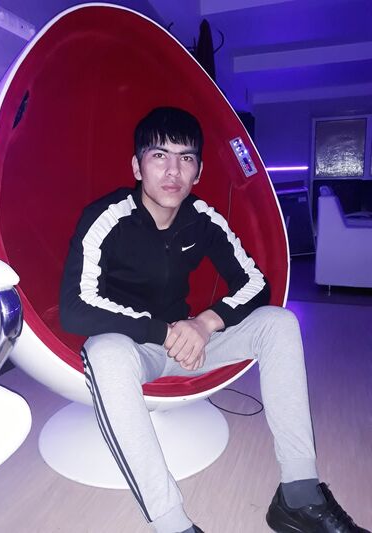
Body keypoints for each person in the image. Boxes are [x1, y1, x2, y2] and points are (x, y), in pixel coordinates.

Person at [60, 107, 369, 533]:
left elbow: (256, 283)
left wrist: (205, 324)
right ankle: (172, 523)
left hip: (192, 343)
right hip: (135, 349)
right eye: (159, 156)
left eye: (185, 158)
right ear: (136, 166)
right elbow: (76, 306)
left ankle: (299, 495)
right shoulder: (106, 217)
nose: (173, 171)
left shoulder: (202, 218)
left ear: (199, 171)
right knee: (104, 350)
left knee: (278, 322)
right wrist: (162, 332)